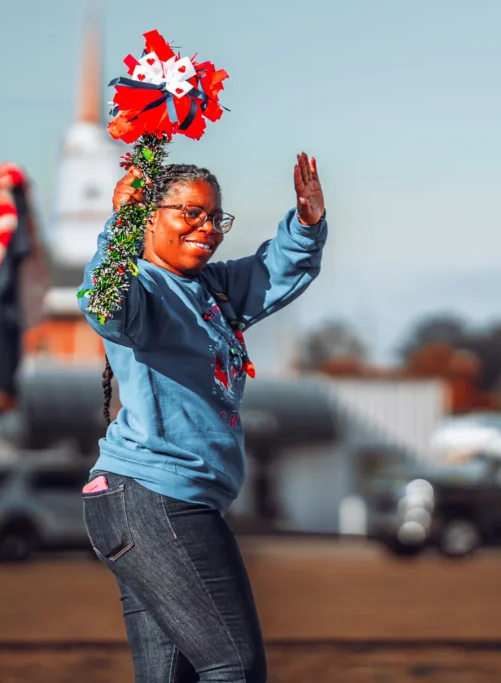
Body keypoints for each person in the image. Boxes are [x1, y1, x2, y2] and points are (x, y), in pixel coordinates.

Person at [78, 153, 326, 683]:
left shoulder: (210, 289)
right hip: (156, 500)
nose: (207, 228)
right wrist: (118, 227)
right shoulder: (143, 287)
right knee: (233, 667)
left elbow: (272, 272)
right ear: (148, 216)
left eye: (215, 217)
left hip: (148, 505)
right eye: (190, 214)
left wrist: (305, 225)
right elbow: (103, 302)